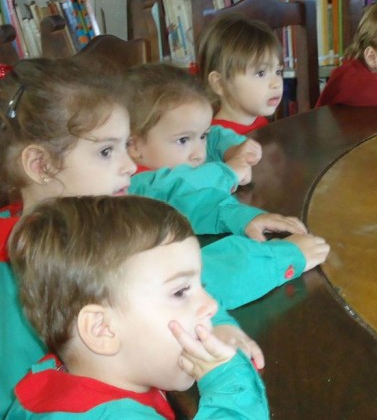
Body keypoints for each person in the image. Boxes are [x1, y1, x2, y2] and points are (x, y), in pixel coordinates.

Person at [0, 58, 264, 417]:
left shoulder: (101, 216)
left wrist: (215, 325)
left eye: (126, 146)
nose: (128, 165)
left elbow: (174, 282)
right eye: (106, 151)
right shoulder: (15, 271)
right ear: (41, 165)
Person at [6, 195, 268, 419]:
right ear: (102, 330)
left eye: (201, 285)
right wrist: (231, 384)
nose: (211, 305)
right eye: (180, 292)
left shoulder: (64, 375)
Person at [125, 63, 330, 308]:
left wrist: (242, 216)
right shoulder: (136, 189)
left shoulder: (137, 172)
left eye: (201, 137)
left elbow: (190, 197)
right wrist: (283, 257)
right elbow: (197, 282)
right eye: (183, 140)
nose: (199, 153)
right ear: (133, 145)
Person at [197, 14, 285, 135]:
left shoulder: (259, 121)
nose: (277, 84)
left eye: (278, 72)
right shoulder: (217, 140)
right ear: (220, 84)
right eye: (260, 73)